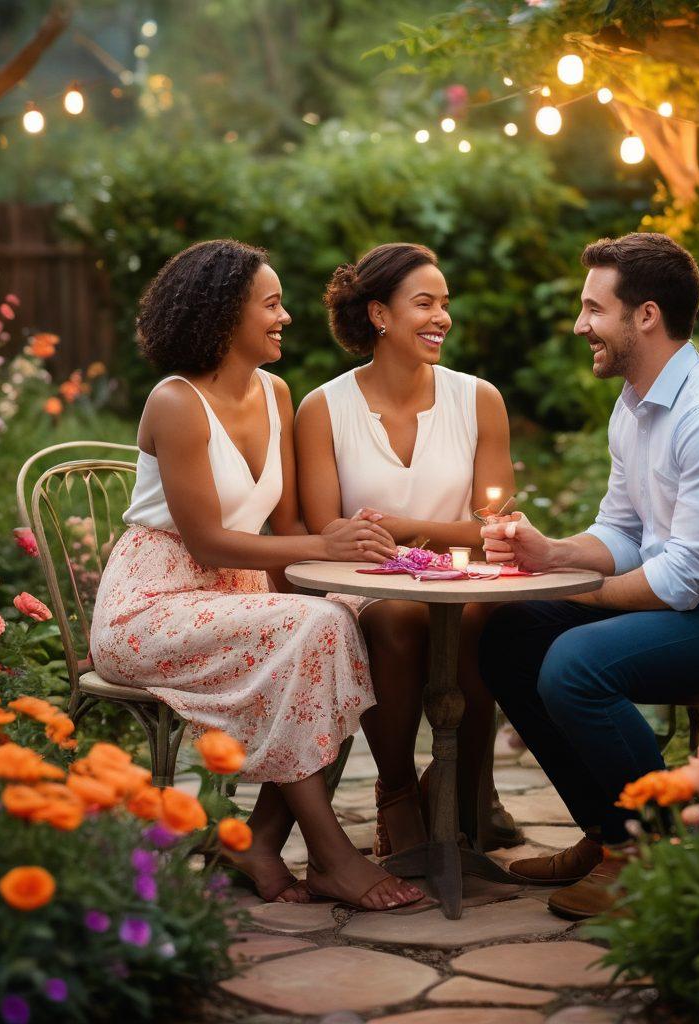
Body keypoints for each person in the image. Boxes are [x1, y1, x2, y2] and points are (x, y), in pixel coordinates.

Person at [478, 232, 699, 920]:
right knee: (510, 632)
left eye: (594, 309)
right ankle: (610, 833)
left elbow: (683, 579)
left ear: (645, 315)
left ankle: (655, 854)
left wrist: (576, 589)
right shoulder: (636, 403)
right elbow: (623, 531)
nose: (580, 324)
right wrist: (549, 554)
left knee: (575, 664)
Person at [90, 239, 422, 911]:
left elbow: (289, 525)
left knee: (350, 617)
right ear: (223, 314)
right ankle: (331, 855)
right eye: (271, 305)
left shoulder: (275, 393)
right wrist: (323, 549)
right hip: (154, 603)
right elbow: (207, 541)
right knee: (318, 627)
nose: (285, 317)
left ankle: (260, 841)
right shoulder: (176, 402)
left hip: (238, 596)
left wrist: (346, 559)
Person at [294, 242, 520, 856]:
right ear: (379, 314)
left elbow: (493, 527)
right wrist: (396, 540)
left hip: (459, 581)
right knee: (395, 619)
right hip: (365, 586)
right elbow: (329, 533)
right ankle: (395, 795)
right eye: (424, 303)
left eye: (445, 303)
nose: (442, 317)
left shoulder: (479, 399)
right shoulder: (322, 408)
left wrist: (399, 527)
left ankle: (463, 787)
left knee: (478, 620)